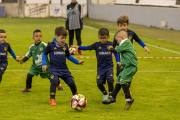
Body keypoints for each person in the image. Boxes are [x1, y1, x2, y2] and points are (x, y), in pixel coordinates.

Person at [71, 28, 120, 102]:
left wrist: (118, 61)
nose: (102, 40)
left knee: (110, 81)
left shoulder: (111, 44)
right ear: (98, 37)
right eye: (101, 38)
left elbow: (116, 52)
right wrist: (78, 47)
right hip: (100, 68)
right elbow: (87, 47)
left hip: (109, 67)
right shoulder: (96, 45)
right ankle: (105, 94)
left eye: (104, 38)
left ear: (108, 37)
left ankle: (111, 97)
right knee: (99, 84)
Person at [42, 26, 84, 106]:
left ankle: (76, 98)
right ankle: (52, 100)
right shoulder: (51, 45)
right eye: (62, 38)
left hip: (64, 69)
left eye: (65, 38)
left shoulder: (65, 46)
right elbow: (44, 54)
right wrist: (44, 64)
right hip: (54, 68)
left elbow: (68, 56)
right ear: (56, 36)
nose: (64, 40)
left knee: (72, 83)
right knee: (54, 82)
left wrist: (77, 62)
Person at [113, 15, 150, 94]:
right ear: (118, 26)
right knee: (119, 72)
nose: (122, 27)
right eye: (120, 25)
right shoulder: (117, 35)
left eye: (124, 25)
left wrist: (144, 46)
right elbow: (114, 46)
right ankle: (119, 88)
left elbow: (138, 40)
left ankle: (127, 89)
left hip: (129, 58)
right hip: (120, 58)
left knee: (128, 73)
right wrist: (115, 57)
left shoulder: (131, 33)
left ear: (127, 25)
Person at [102, 30, 138, 110]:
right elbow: (125, 54)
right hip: (127, 66)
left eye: (117, 40)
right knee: (118, 80)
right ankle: (113, 97)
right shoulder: (126, 43)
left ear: (122, 37)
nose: (117, 42)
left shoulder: (126, 42)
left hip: (131, 66)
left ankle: (129, 99)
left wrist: (111, 47)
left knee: (122, 80)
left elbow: (115, 50)